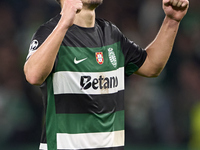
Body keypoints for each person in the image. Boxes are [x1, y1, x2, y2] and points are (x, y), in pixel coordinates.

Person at [24, 0, 189, 150]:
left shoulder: (111, 33)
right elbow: (33, 75)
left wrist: (172, 21)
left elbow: (151, 66)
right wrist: (64, 23)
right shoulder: (49, 32)